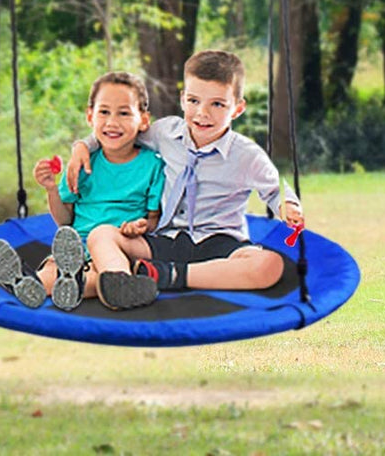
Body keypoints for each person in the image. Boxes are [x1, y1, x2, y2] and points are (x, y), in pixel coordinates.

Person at [67, 49, 305, 310]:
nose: (202, 113)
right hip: (165, 238)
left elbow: (275, 189)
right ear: (182, 99)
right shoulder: (165, 132)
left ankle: (165, 276)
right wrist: (82, 145)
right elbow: (122, 133)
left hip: (219, 242)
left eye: (217, 104)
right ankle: (122, 284)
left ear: (237, 108)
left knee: (269, 265)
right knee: (101, 235)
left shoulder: (246, 155)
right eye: (193, 101)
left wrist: (288, 206)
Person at [0, 71, 166, 310]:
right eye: (104, 112)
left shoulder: (152, 166)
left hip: (116, 247)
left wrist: (139, 226)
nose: (112, 122)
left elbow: (152, 220)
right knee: (54, 269)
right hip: (74, 247)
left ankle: (71, 284)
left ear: (143, 120)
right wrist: (51, 190)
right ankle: (29, 283)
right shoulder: (82, 163)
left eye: (123, 113)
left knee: (101, 275)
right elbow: (64, 219)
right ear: (90, 116)